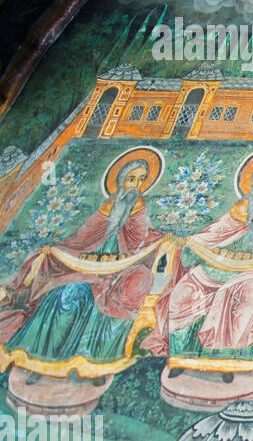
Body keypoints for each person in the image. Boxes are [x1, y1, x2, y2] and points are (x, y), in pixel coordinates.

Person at [0, 151, 168, 383]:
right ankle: (42, 362)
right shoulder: (109, 207)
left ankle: (96, 363)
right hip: (88, 268)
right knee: (67, 296)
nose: (136, 186)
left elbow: (144, 239)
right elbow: (82, 238)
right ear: (120, 180)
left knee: (123, 291)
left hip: (123, 270)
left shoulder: (138, 208)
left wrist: (162, 241)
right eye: (132, 179)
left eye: (141, 180)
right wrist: (54, 249)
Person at [144, 148, 253, 382]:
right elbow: (213, 234)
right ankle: (183, 357)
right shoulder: (238, 210)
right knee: (184, 291)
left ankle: (232, 359)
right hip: (219, 267)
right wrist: (188, 242)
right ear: (251, 181)